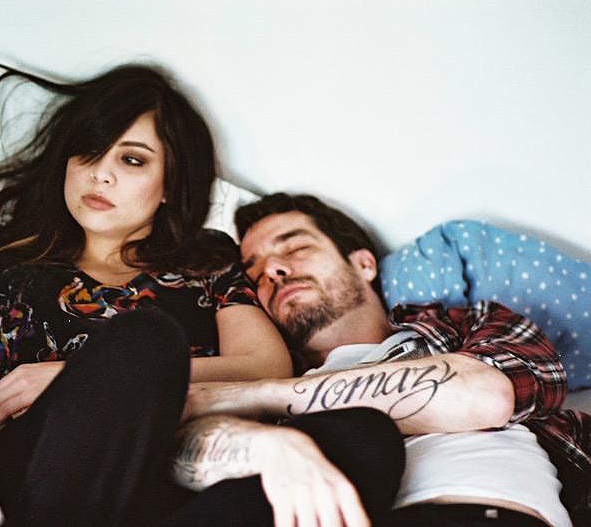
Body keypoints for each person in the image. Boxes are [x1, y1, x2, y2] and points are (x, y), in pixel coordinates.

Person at [0, 23, 402, 527]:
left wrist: (75, 375)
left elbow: (262, 366)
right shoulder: (8, 262)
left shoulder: (205, 261)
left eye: (132, 160)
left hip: (174, 472)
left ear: (169, 186)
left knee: (366, 439)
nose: (101, 175)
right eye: (89, 153)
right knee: (144, 340)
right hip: (41, 475)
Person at [171, 193, 591, 527]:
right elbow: (180, 457)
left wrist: (254, 394)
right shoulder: (272, 383)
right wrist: (269, 446)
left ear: (363, 263)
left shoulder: (459, 325)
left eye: (296, 247)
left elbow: (486, 394)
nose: (273, 271)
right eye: (255, 273)